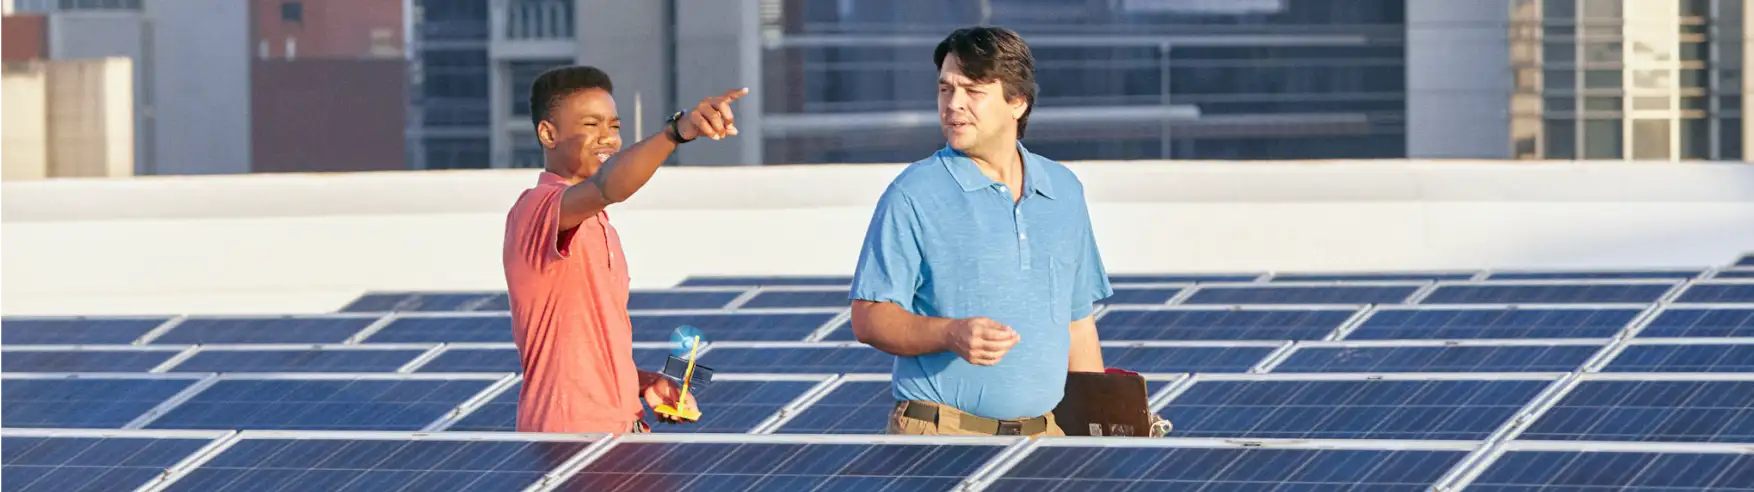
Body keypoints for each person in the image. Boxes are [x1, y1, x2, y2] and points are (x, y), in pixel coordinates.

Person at [848, 26, 1114, 437]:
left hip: (1044, 437)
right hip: (940, 434)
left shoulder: (1064, 191)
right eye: (945, 90)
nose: (953, 105)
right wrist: (950, 333)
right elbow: (869, 317)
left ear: (1017, 103)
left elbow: (1077, 323)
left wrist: (1098, 428)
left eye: (972, 91)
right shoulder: (913, 193)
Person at [502, 65, 748, 434]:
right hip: (568, 438)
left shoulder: (600, 224)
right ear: (548, 133)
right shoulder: (536, 208)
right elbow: (608, 186)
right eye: (591, 125)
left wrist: (644, 383)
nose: (608, 138)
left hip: (621, 435)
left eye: (614, 127)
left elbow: (583, 358)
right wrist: (677, 132)